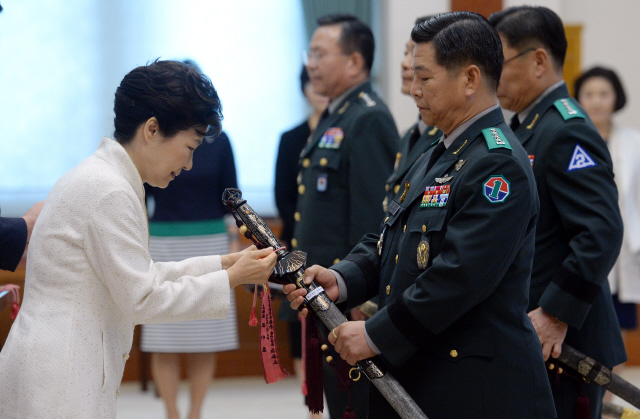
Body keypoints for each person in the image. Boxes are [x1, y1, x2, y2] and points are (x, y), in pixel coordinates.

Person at [286, 12, 556, 419]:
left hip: (476, 387)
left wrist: (376, 335)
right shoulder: (438, 152)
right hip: (426, 369)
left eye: (424, 78)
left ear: (469, 79)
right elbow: (387, 241)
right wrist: (342, 278)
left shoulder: (498, 164)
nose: (412, 90)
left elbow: (457, 277)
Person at [0, 60, 277, 419]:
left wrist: (222, 264)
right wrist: (232, 278)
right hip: (61, 376)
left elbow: (139, 275)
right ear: (151, 129)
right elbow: (142, 298)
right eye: (190, 147)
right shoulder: (109, 190)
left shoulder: (106, 177)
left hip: (62, 363)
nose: (190, 164)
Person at [489, 7, 626, 418]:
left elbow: (600, 231)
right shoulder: (526, 127)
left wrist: (554, 313)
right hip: (530, 331)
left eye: (501, 61)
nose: (494, 76)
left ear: (538, 61)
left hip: (563, 339)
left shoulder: (566, 129)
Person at [294, 13, 398, 418]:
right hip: (330, 291)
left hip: (348, 296)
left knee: (353, 404)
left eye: (320, 54)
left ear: (354, 62)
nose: (311, 64)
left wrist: (361, 296)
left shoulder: (367, 117)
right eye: (310, 53)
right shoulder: (339, 113)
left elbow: (375, 215)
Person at [140, 62, 242, 419]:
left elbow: (232, 196)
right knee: (163, 338)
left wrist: (232, 244)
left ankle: (195, 413)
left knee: (205, 336)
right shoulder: (156, 136)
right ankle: (172, 413)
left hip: (211, 242)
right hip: (164, 241)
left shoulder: (219, 140)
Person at [274, 65, 327, 419]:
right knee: (298, 327)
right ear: (304, 89)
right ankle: (311, 408)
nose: (319, 90)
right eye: (312, 83)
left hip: (336, 248)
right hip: (297, 246)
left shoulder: (347, 129)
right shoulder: (291, 137)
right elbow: (283, 195)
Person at [575, 67, 640, 330]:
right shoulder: (569, 140)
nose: (597, 101)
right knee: (585, 326)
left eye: (604, 93)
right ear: (578, 99)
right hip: (582, 246)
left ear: (617, 97)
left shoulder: (635, 143)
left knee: (618, 326)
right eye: (589, 94)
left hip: (624, 246)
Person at [382, 15, 442, 213]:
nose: (405, 63)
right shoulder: (410, 135)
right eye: (406, 52)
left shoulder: (446, 135)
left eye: (414, 54)